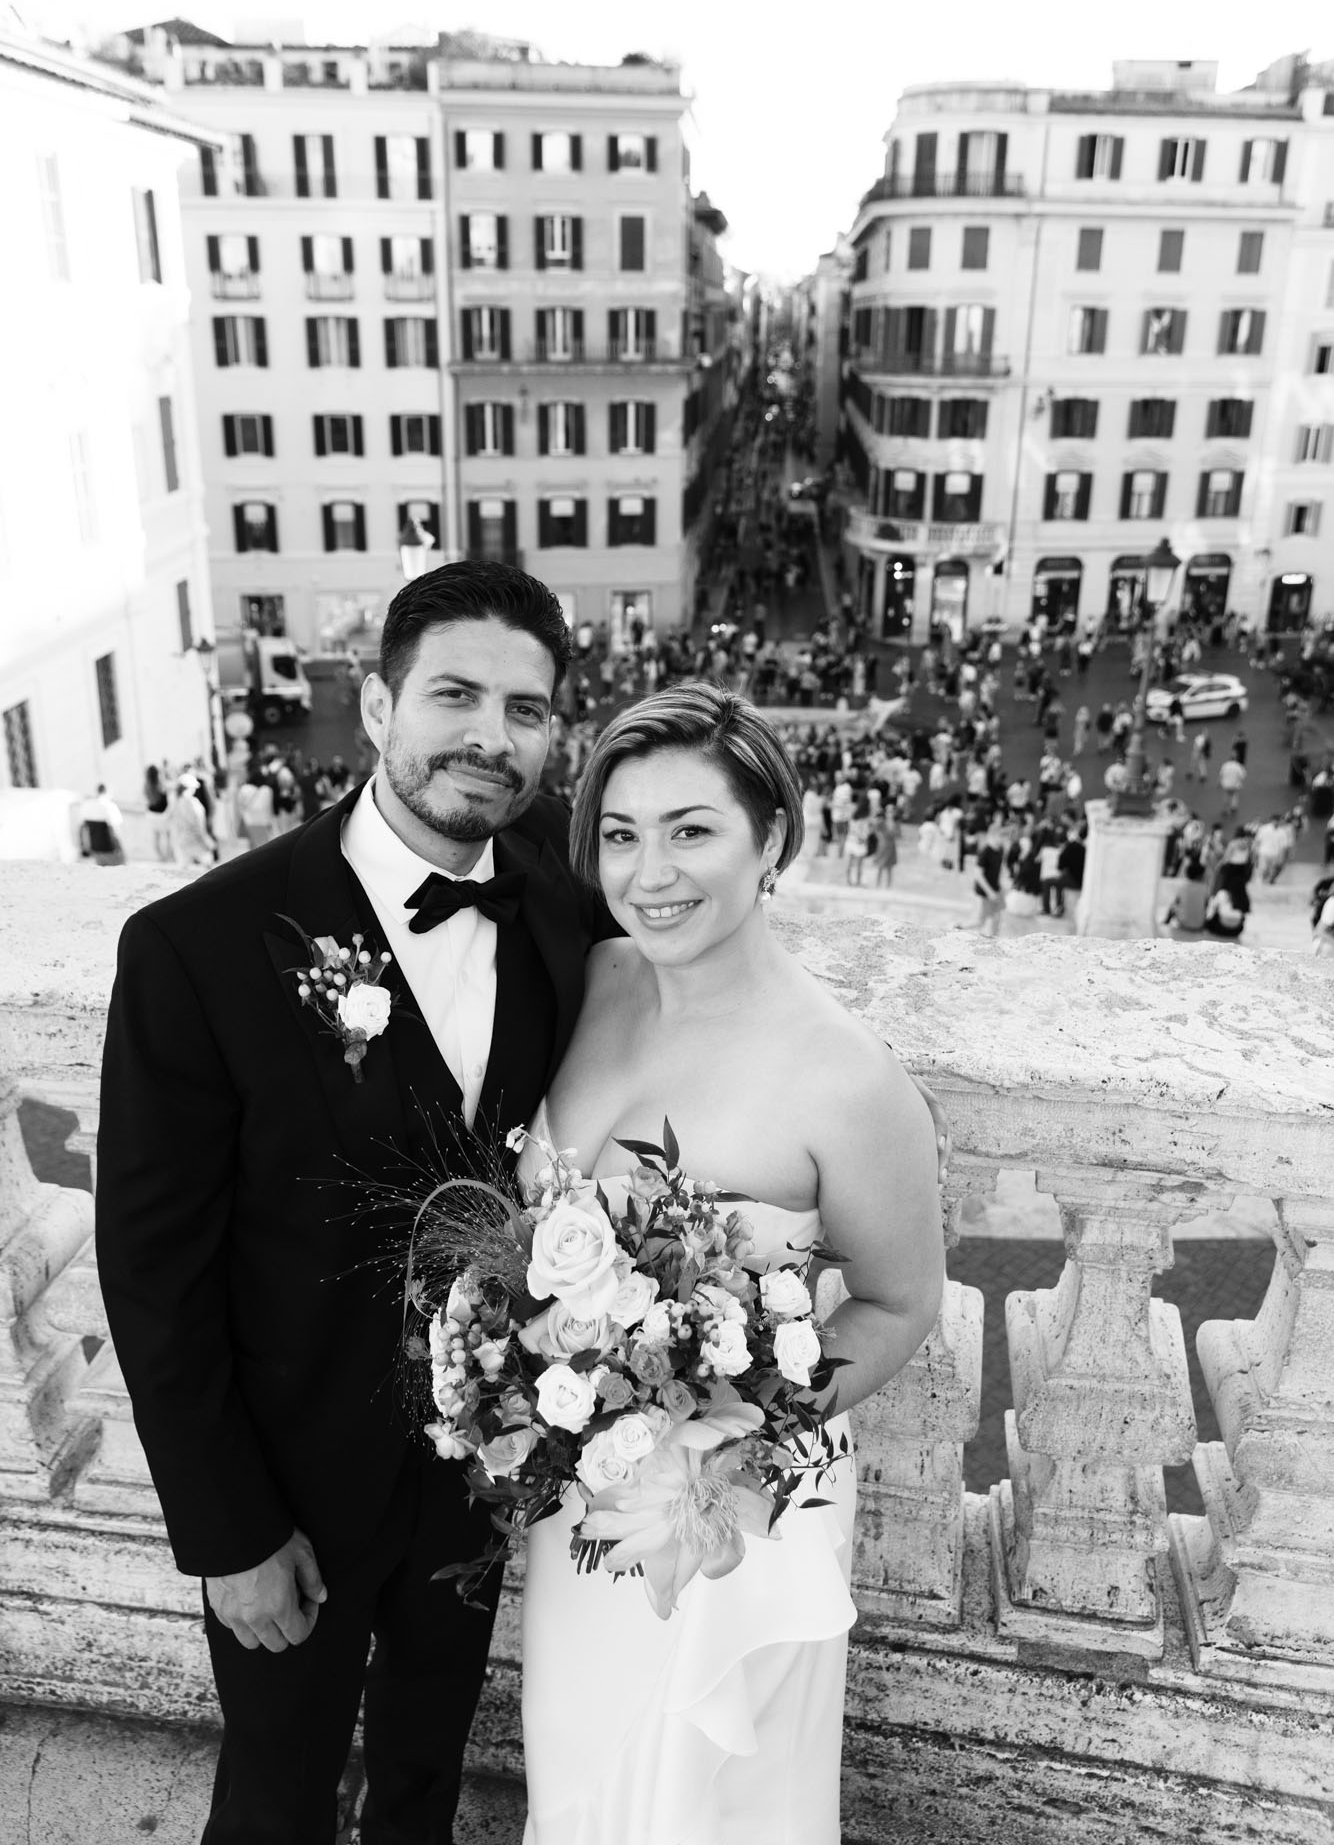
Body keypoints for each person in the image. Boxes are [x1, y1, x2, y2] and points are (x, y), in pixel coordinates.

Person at [96, 562, 618, 1844]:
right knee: (276, 1795)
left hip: (480, 1475)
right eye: (453, 693)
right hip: (288, 1494)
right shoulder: (199, 946)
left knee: (424, 1783)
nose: (489, 736)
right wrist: (227, 1530)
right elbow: (151, 1267)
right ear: (377, 706)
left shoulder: (568, 912)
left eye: (528, 708)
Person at [521, 685, 945, 1844]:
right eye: (620, 833)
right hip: (582, 1494)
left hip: (739, 1515)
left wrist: (735, 1430)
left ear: (772, 841)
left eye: (691, 828)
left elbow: (900, 1299)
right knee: (583, 1763)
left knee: (706, 1802)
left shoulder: (843, 1078)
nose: (648, 870)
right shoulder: (597, 982)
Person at [79, 783, 125, 865]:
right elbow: (115, 830)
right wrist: (120, 848)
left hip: (95, 849)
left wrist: (84, 848)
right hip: (110, 849)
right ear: (107, 792)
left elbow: (82, 828)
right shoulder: (110, 806)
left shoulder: (87, 804)